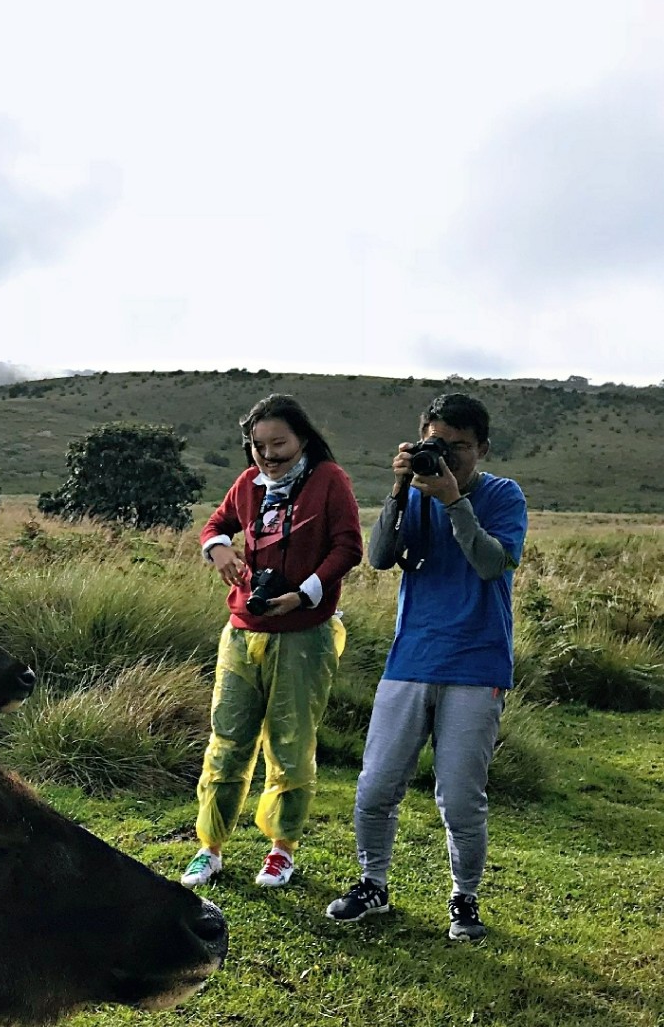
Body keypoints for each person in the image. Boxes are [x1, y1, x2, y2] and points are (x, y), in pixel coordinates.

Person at [327, 391, 525, 940]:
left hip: (477, 662)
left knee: (460, 797)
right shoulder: (412, 491)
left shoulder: (504, 496)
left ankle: (465, 898)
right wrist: (398, 488)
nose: (450, 457)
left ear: (483, 448)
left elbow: (490, 564)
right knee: (375, 786)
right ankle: (373, 884)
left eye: (461, 447)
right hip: (411, 656)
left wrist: (453, 499)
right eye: (439, 444)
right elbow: (380, 557)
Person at [182, 395, 363, 890]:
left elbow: (348, 546)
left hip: (304, 633)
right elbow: (216, 524)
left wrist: (302, 595)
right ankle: (209, 848)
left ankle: (281, 850)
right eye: (258, 445)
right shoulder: (249, 486)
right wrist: (218, 550)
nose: (268, 455)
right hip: (243, 631)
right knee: (227, 740)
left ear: (302, 438)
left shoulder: (329, 480)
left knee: (291, 744)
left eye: (278, 443)